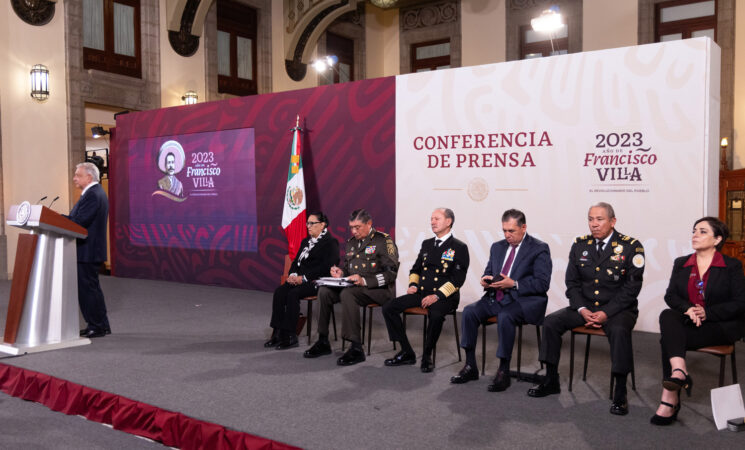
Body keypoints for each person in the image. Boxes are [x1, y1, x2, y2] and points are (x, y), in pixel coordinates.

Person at [528, 202, 644, 416]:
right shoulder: (580, 244)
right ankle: (551, 379)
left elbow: (632, 288)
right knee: (552, 322)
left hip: (619, 310)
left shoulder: (631, 246)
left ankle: (620, 391)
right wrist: (581, 309)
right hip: (585, 308)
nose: (594, 224)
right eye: (590, 219)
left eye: (599, 219)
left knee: (619, 331)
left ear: (613, 221)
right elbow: (572, 283)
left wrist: (606, 313)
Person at [650, 217, 745, 425]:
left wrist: (706, 312)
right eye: (694, 230)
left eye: (702, 231)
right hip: (689, 322)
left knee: (669, 339)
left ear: (717, 239)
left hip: (720, 325)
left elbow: (740, 302)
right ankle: (679, 370)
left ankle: (670, 398)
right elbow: (671, 296)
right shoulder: (682, 263)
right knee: (668, 315)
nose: (695, 235)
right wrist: (688, 308)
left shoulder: (731, 266)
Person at [451, 209, 551, 391]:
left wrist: (514, 284)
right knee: (469, 312)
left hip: (524, 300)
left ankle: (503, 371)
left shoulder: (539, 248)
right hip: (496, 297)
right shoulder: (497, 247)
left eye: (511, 231)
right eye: (504, 230)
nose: (507, 235)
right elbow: (490, 270)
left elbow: (542, 284)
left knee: (506, 316)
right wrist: (486, 279)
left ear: (523, 227)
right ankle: (470, 365)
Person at [304, 209, 399, 365]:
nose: (354, 231)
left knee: (348, 294)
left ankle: (356, 348)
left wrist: (364, 281)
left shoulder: (383, 241)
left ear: (369, 224)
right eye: (351, 227)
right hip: (354, 287)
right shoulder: (351, 243)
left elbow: (391, 274)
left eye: (358, 227)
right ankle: (323, 340)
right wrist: (340, 272)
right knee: (324, 291)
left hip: (380, 290)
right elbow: (349, 270)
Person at [382, 208, 469, 373]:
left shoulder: (459, 247)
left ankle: (427, 355)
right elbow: (415, 269)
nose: (432, 222)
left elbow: (458, 279)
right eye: (431, 219)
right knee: (389, 307)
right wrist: (413, 285)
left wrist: (436, 296)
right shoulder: (427, 244)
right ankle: (407, 351)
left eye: (436, 218)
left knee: (435, 315)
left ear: (449, 221)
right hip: (421, 293)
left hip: (445, 297)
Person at [265, 212, 339, 350]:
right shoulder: (306, 241)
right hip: (299, 279)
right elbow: (296, 262)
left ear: (322, 225)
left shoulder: (330, 242)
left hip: (316, 281)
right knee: (280, 292)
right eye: (307, 223)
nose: (308, 226)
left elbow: (327, 267)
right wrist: (292, 274)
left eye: (312, 223)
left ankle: (290, 335)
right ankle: (277, 332)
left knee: (293, 294)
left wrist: (304, 278)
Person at [69, 162, 111, 338]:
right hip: (89, 250)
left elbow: (79, 222)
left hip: (88, 250)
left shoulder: (93, 194)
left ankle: (96, 326)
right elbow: (76, 219)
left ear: (89, 177)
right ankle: (100, 324)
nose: (74, 178)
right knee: (91, 288)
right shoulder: (93, 193)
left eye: (78, 175)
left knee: (88, 290)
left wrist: (58, 219)